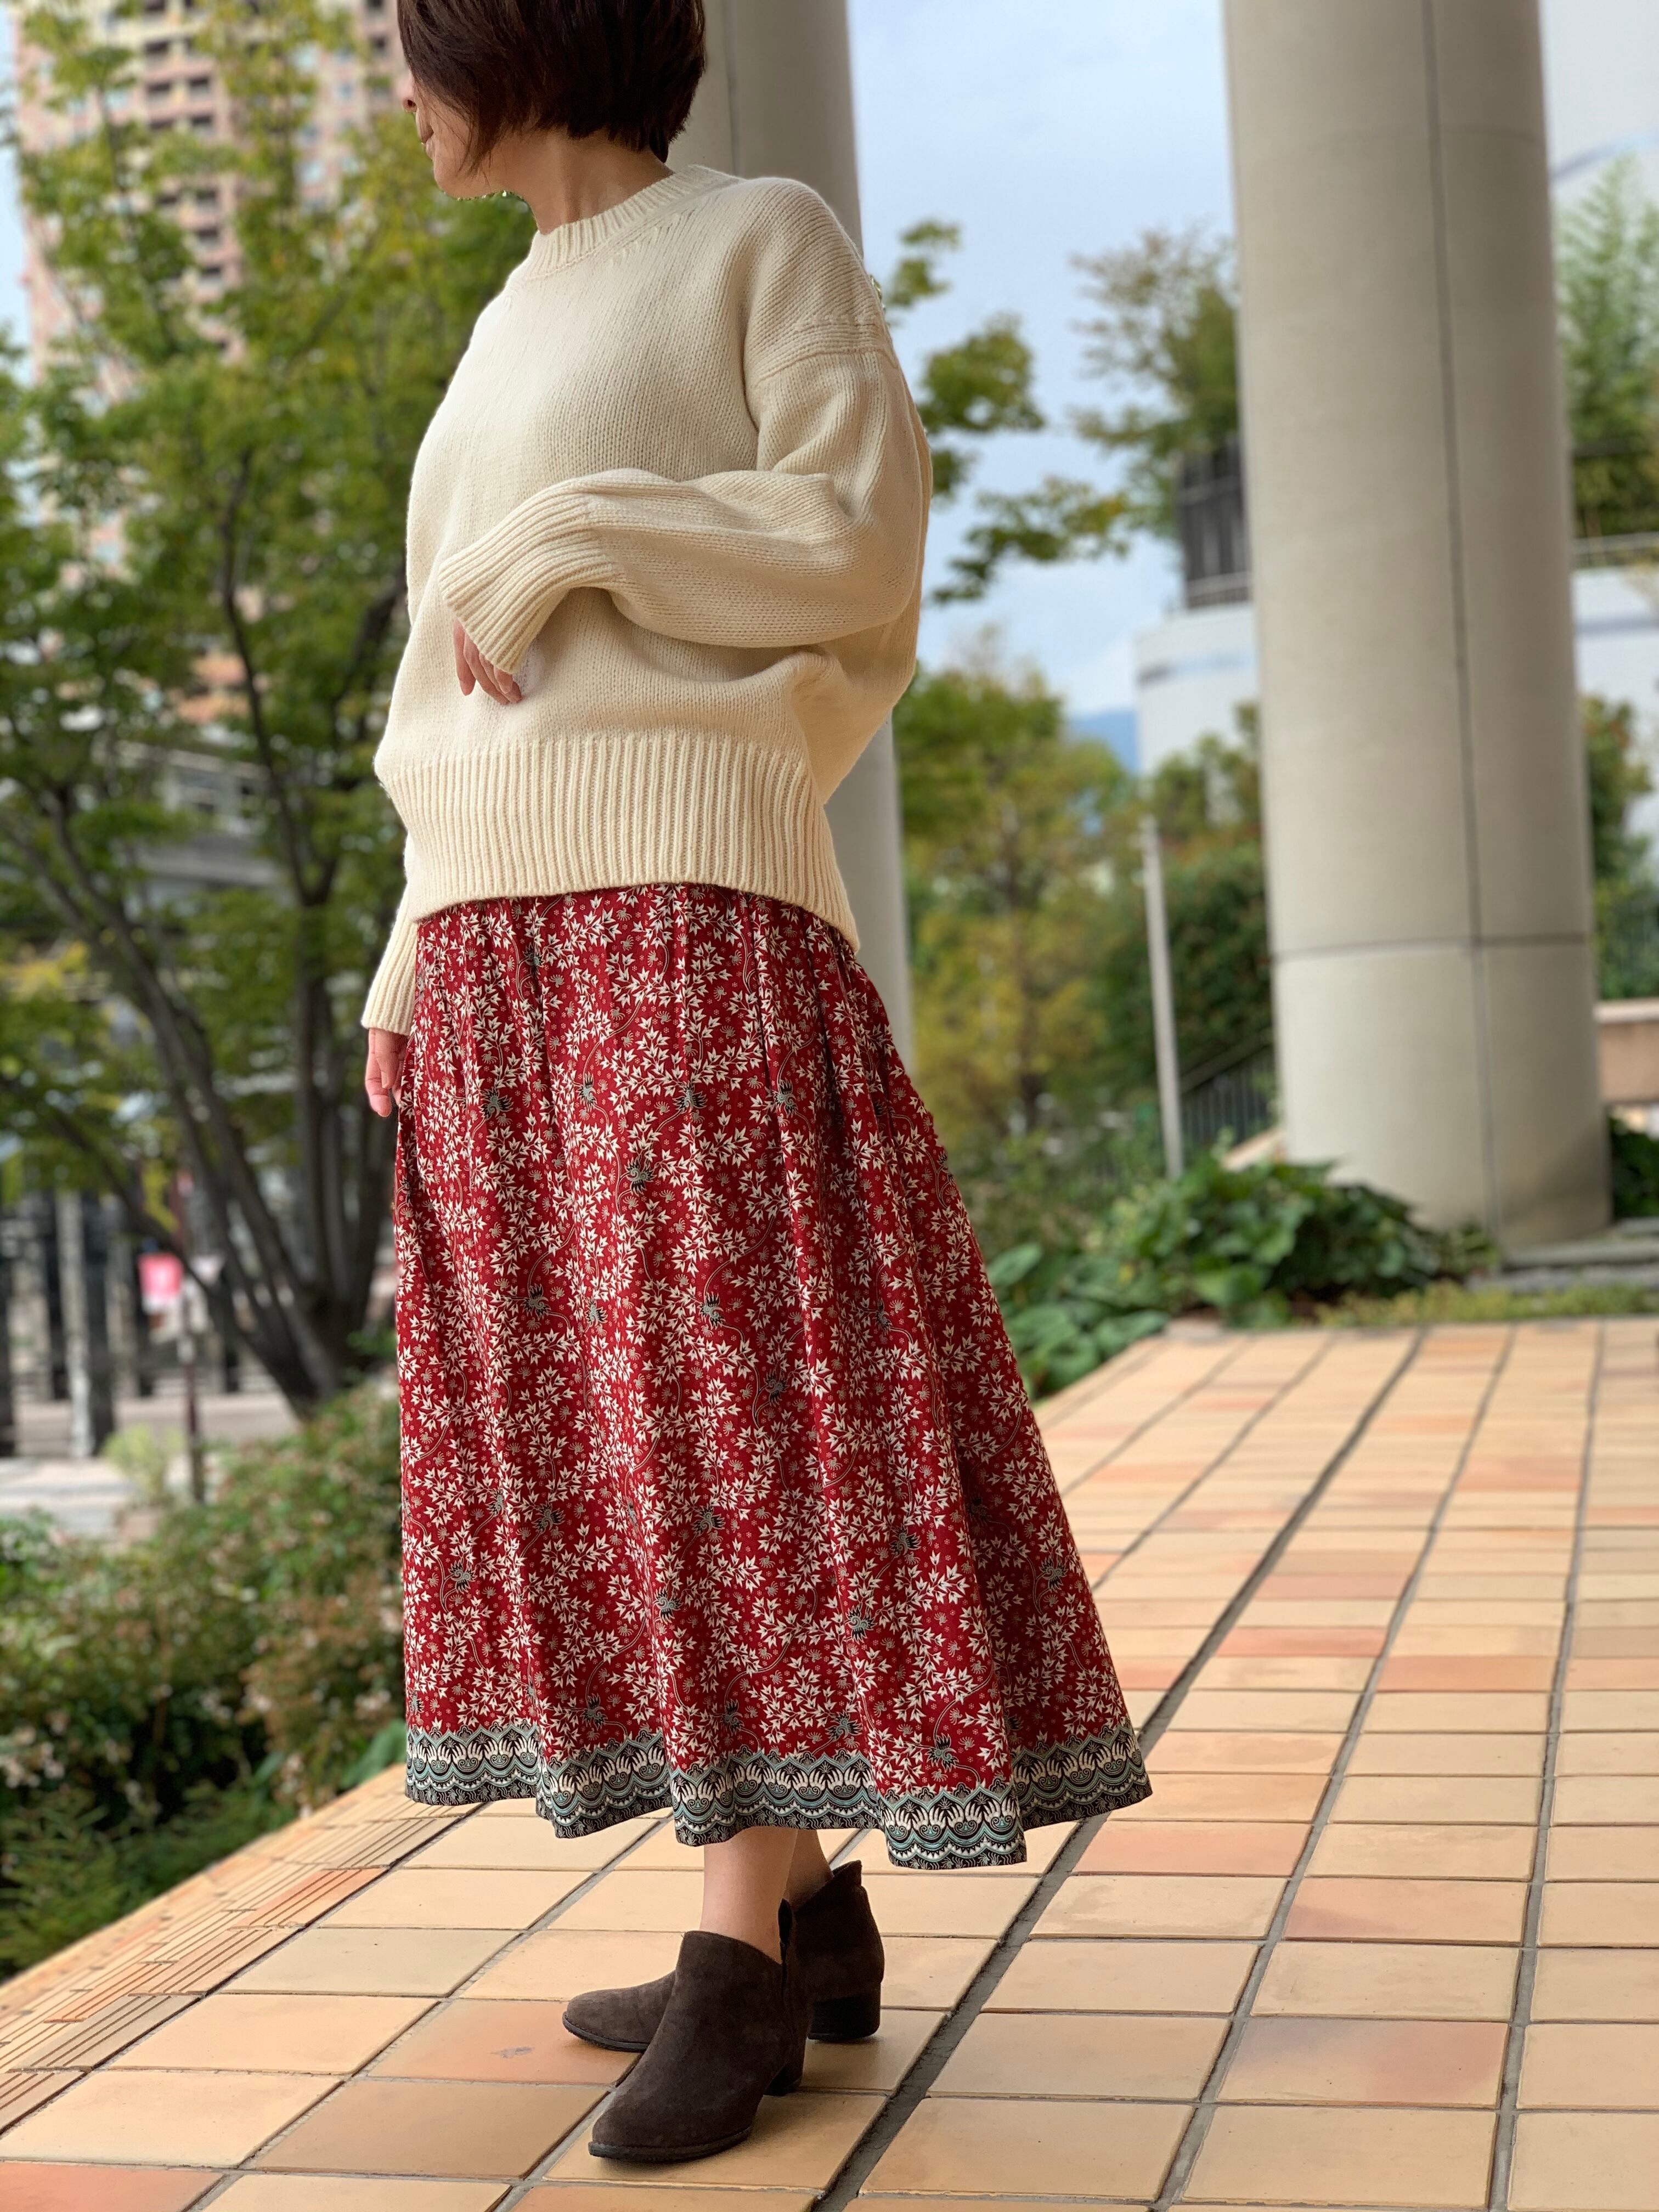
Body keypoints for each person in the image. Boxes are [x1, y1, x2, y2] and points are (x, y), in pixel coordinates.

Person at [365, 0, 1150, 2165]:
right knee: (618, 1442)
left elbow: (857, 549)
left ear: (523, 32)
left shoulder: (755, 239)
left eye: (409, 38)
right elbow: (449, 693)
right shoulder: (501, 324)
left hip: (689, 908)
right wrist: (412, 942)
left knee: (722, 1422)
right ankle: (795, 1915)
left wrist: (582, 533)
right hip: (499, 945)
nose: (396, 86)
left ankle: (741, 1955)